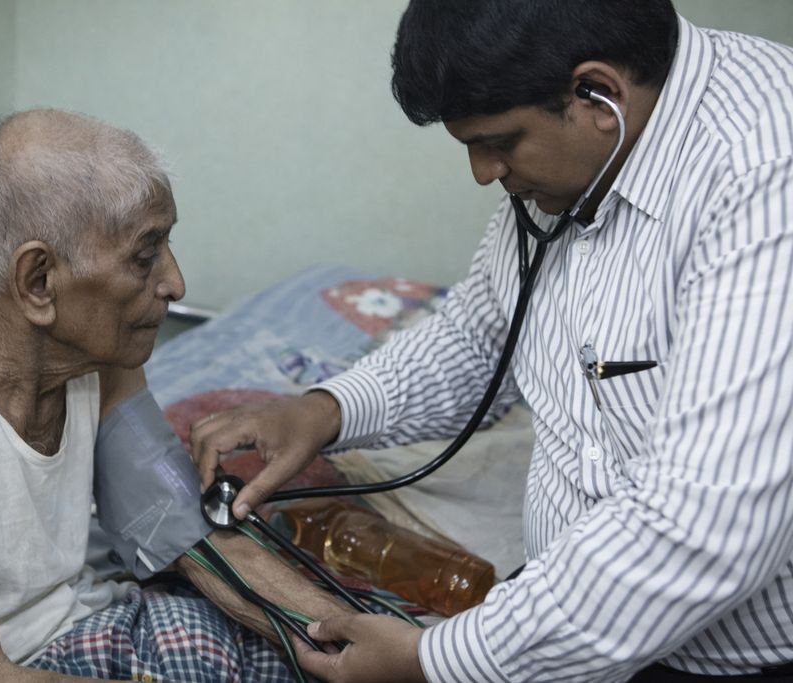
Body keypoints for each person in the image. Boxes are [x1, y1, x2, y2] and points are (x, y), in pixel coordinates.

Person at [189, 1, 793, 681]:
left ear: (600, 94)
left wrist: (436, 660)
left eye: (499, 142)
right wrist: (325, 410)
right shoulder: (579, 167)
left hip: (731, 657)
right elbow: (480, 336)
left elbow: (704, 524)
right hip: (562, 603)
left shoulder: (765, 175)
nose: (482, 172)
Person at [0, 108, 348, 682]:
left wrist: (352, 635)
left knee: (257, 652)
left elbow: (182, 534)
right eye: (145, 254)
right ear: (39, 281)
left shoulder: (99, 356)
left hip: (66, 634)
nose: (176, 283)